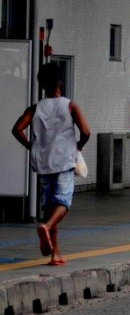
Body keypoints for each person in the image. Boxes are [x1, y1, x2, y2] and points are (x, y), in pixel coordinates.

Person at [11, 62, 91, 266]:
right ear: (59, 82)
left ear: (43, 85)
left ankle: (55, 254)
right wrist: (78, 146)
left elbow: (17, 129)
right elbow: (86, 132)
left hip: (43, 164)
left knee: (49, 207)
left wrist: (31, 146)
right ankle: (46, 227)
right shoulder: (69, 105)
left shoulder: (36, 108)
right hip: (64, 162)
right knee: (63, 203)